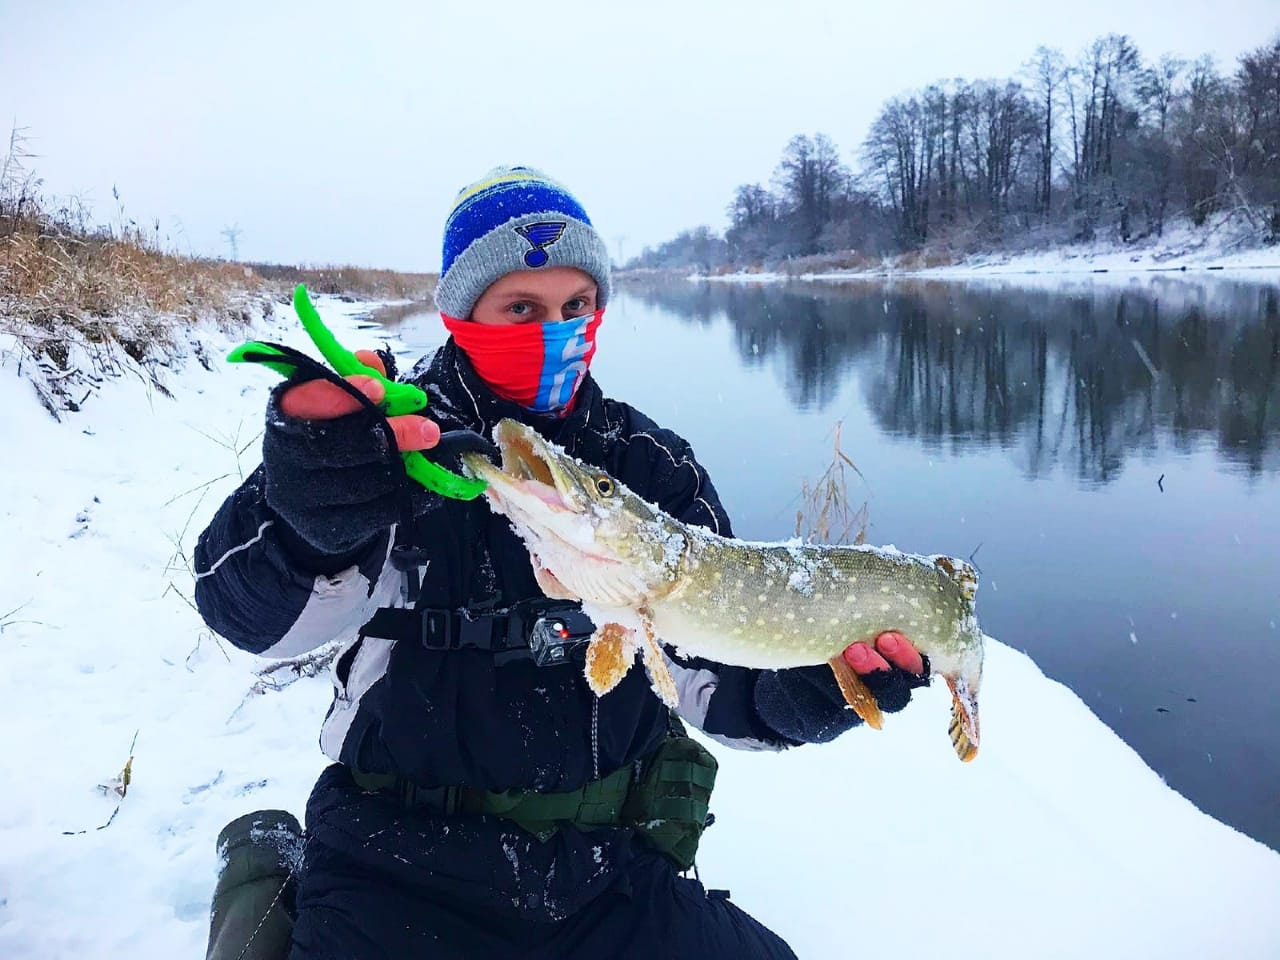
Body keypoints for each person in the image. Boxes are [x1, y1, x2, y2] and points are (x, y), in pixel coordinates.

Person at [194, 167, 931, 960]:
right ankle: (264, 877)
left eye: (576, 306)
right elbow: (254, 624)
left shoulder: (650, 465)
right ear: (460, 313)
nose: (556, 329)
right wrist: (312, 514)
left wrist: (802, 693)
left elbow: (704, 673)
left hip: (609, 875)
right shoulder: (384, 448)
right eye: (522, 307)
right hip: (396, 864)